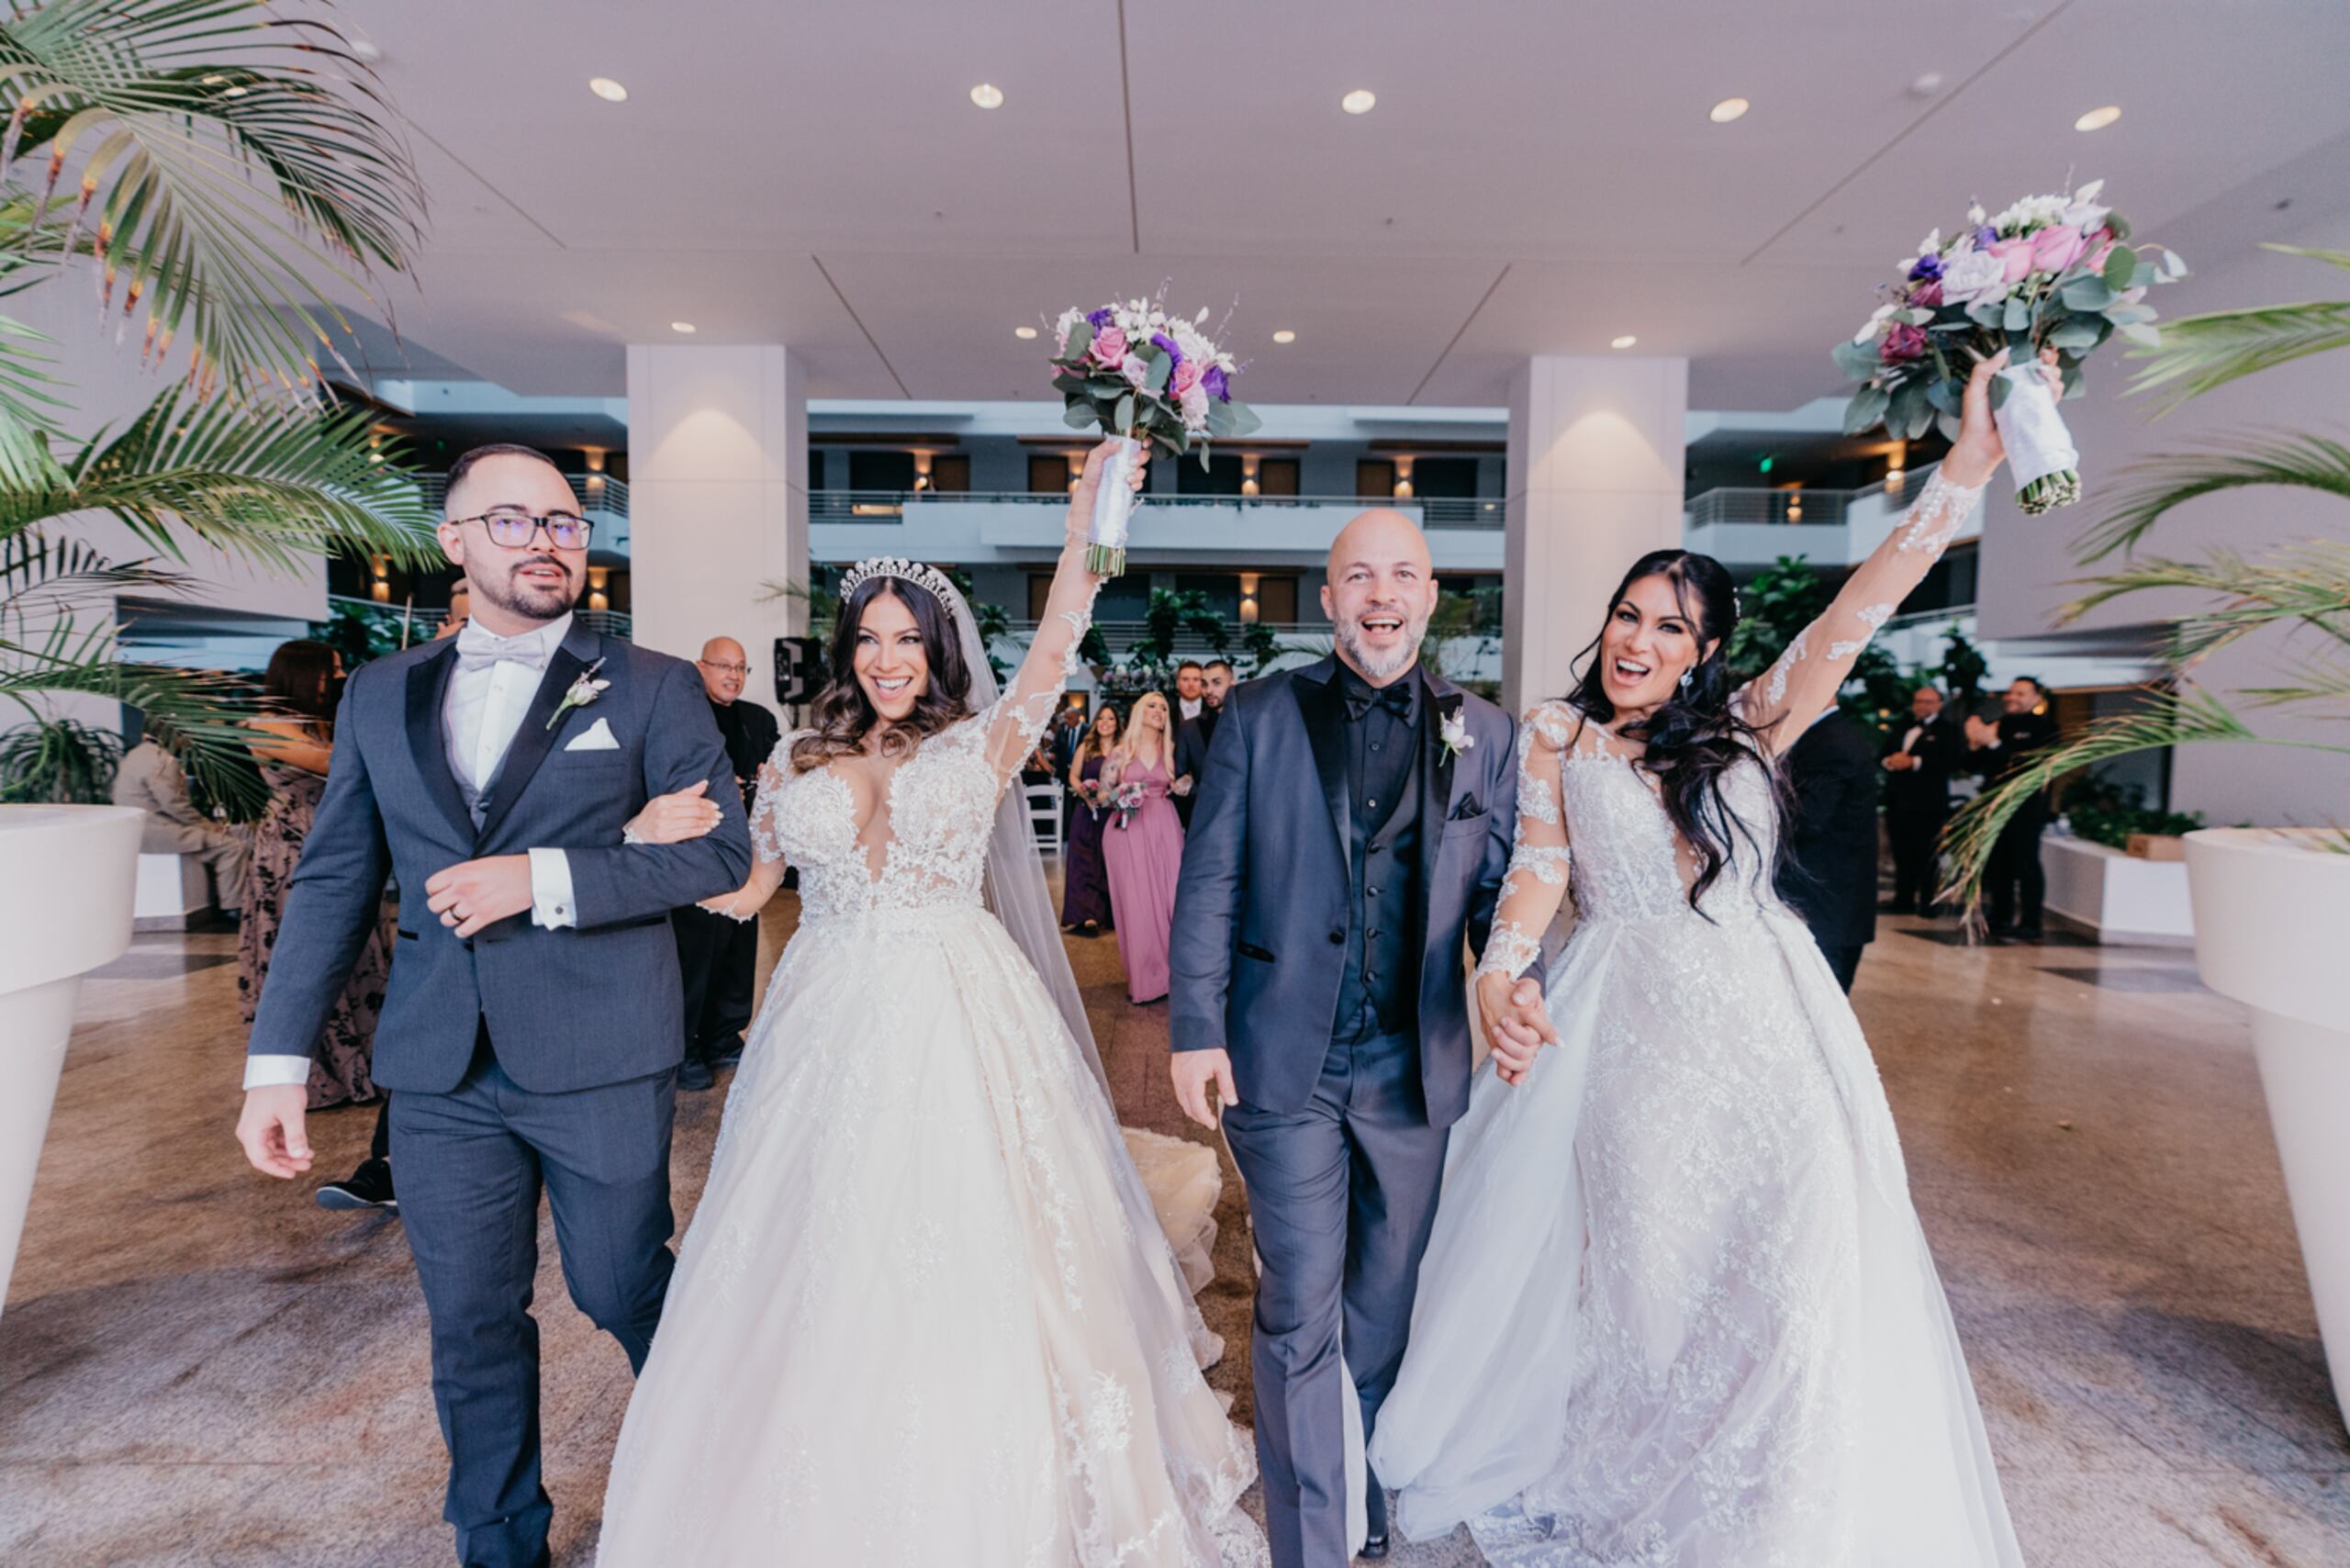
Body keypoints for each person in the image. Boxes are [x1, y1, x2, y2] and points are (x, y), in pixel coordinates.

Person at [1368, 353, 2046, 1568]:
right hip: (1628, 1033)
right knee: (1653, 1271)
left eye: (1668, 626)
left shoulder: (1757, 720)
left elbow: (1863, 608)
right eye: (1628, 614)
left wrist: (1963, 473)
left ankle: (1777, 1506)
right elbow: (1537, 873)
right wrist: (1496, 970)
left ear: (1707, 648)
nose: (1637, 638)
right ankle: (1647, 1487)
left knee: (1801, 1252)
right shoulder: (1558, 734)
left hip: (1771, 1022)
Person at [595, 443, 1266, 1566]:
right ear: (846, 648)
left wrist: (1089, 520)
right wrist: (637, 843)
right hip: (827, 1018)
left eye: (908, 637)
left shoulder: (986, 740)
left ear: (939, 649)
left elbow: (1057, 634)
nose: (886, 657)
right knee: (821, 1239)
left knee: (976, 1227)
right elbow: (748, 892)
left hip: (961, 1009)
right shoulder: (792, 759)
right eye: (869, 636)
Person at [235, 442, 752, 1568]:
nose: (548, 543)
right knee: (471, 1321)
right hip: (437, 1066)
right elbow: (332, 879)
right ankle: (501, 1537)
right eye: (514, 522)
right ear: (455, 542)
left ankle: (727, 1481)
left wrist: (547, 876)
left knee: (620, 1286)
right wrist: (275, 1063)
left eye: (566, 523)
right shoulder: (382, 692)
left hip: (601, 1050)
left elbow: (721, 852)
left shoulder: (650, 683)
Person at [1169, 508, 1523, 1566]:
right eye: (1357, 575)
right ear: (1326, 600)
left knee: (1381, 1305)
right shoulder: (1262, 714)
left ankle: (1352, 1478)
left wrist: (1516, 986)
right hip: (1284, 1057)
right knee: (1297, 1304)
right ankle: (1314, 1542)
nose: (1380, 594)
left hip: (1415, 1065)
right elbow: (1211, 879)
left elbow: (1505, 899)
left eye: (1401, 574)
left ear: (1428, 594)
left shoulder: (1488, 735)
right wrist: (1194, 1026)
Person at [235, 640, 390, 1111]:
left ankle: (365, 1064)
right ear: (303, 675)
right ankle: (320, 1073)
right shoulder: (266, 724)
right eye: (333, 670)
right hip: (293, 851)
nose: (340, 678)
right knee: (310, 954)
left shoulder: (321, 721)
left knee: (360, 955)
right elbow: (330, 763)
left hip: (340, 842)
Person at [669, 635, 782, 1091]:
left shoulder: (758, 719)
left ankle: (722, 1035)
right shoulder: (679, 716)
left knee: (739, 946)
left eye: (741, 667)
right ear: (700, 668)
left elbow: (777, 771)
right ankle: (683, 1048)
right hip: (695, 851)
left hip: (747, 851)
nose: (733, 675)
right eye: (723, 666)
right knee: (694, 955)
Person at [1776, 703, 1883, 991]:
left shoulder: (1831, 742)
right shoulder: (1825, 734)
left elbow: (1806, 820)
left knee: (1819, 1005)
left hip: (1825, 909)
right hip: (1826, 906)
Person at [1101, 689, 1188, 1005]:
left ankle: (1171, 975)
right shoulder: (1121, 753)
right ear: (1139, 712)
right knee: (1138, 904)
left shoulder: (1174, 752)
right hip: (1127, 830)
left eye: (1164, 708)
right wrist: (1121, 793)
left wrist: (1183, 785)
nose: (1159, 711)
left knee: (1170, 898)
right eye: (1152, 705)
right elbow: (1102, 797)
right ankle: (1145, 980)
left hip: (1164, 826)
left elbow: (1185, 783)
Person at [112, 735, 249, 919]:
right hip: (158, 831)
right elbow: (174, 803)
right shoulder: (162, 759)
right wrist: (207, 826)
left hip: (139, 829)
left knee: (238, 832)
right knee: (233, 847)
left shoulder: (135, 754)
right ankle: (234, 908)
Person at [1967, 676, 2060, 941]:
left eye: (2020, 694)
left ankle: (2032, 922)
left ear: (2035, 699)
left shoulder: (2046, 728)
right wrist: (1976, 744)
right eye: (2010, 693)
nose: (2012, 698)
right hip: (1994, 805)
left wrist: (1993, 743)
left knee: (2025, 863)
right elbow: (1977, 765)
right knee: (1998, 863)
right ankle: (2000, 916)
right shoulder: (2001, 725)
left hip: (2026, 806)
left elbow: (2027, 765)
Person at [1884, 682, 1964, 914]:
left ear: (1939, 704)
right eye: (1919, 701)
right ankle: (1903, 899)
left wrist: (1915, 762)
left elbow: (1952, 761)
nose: (1922, 706)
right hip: (1898, 801)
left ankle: (1928, 902)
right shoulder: (1902, 727)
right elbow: (1883, 754)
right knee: (1901, 852)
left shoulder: (1948, 730)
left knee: (1928, 854)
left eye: (1928, 701)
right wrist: (1891, 761)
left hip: (1929, 803)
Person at [1061, 702, 1120, 935]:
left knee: (1109, 863)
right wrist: (1085, 793)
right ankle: (1087, 915)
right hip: (1087, 813)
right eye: (1101, 718)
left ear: (1118, 724)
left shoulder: (1123, 749)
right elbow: (1073, 777)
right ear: (1095, 723)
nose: (1105, 722)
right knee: (1084, 862)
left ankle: (1109, 913)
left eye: (1111, 718)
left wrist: (1115, 796)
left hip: (1112, 814)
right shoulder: (1086, 747)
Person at [1171, 656, 1231, 831]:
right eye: (1204, 684)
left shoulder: (1251, 722)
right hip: (1202, 819)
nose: (1209, 690)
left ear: (1232, 684)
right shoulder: (1190, 728)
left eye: (1217, 683)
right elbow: (1180, 776)